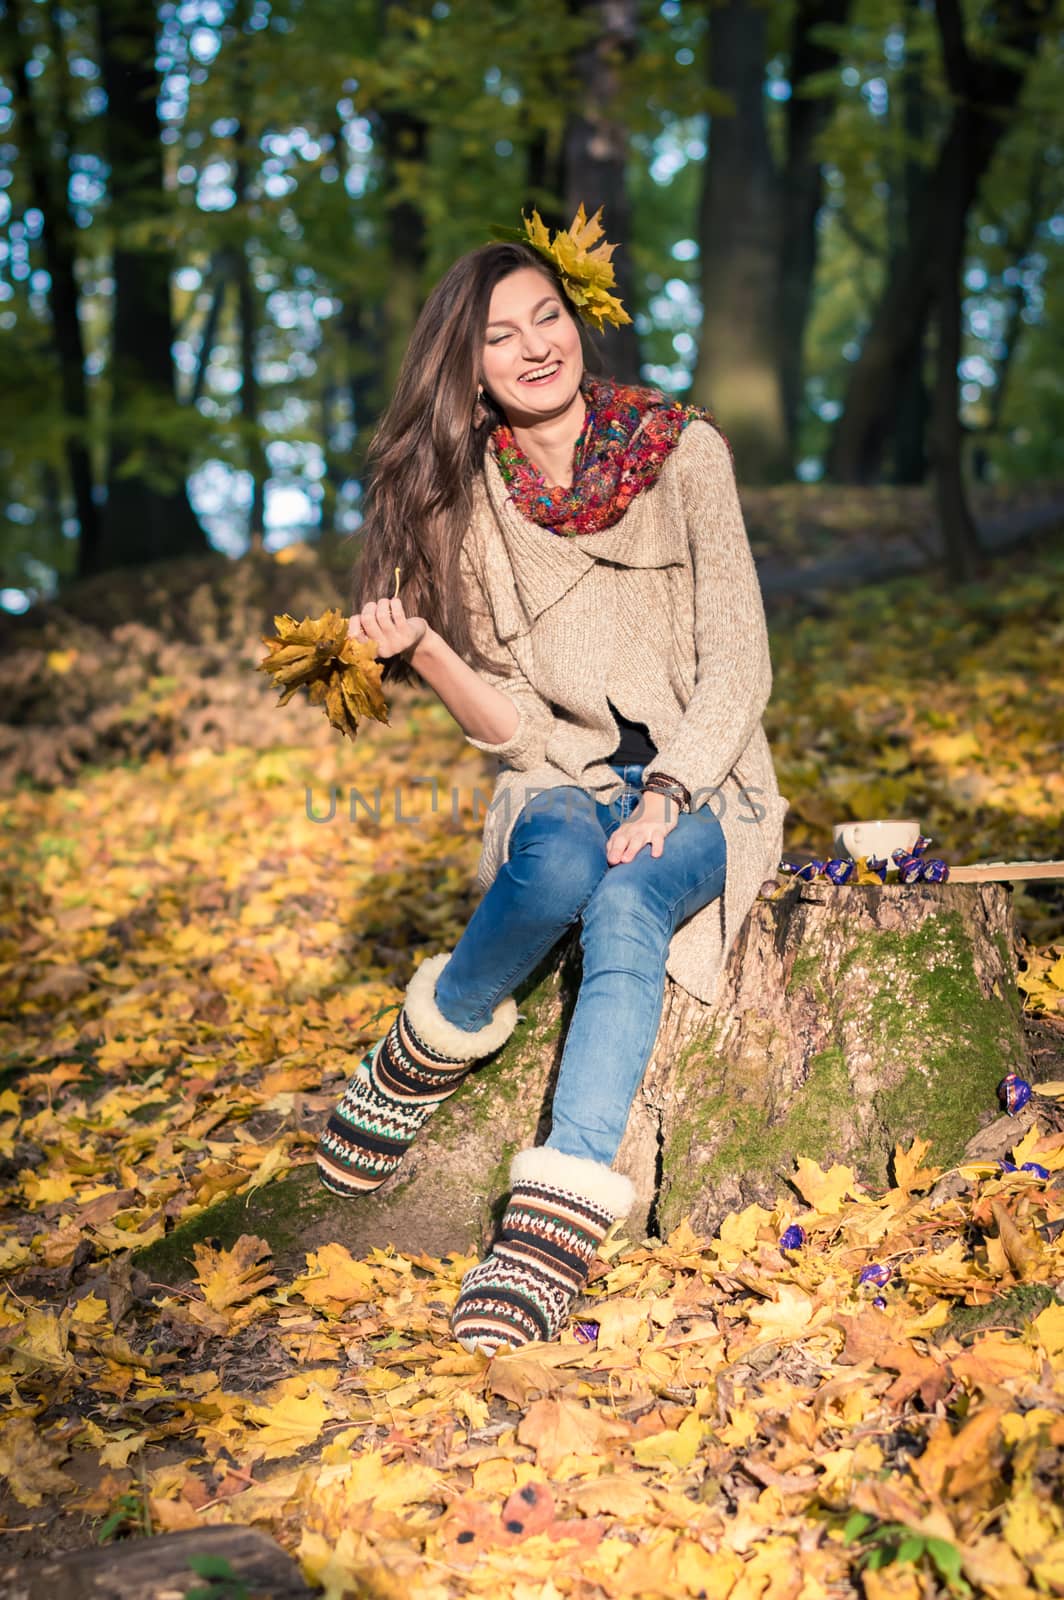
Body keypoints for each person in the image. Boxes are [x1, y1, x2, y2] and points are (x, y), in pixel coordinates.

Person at [315, 206, 789, 1357]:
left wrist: (669, 793)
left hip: (707, 782)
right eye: (498, 336)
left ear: (577, 323)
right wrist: (425, 649)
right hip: (564, 779)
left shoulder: (683, 453)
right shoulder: (471, 504)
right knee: (564, 853)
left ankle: (553, 1219)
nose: (536, 346)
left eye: (546, 317)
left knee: (626, 895)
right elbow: (517, 730)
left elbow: (740, 664)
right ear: (466, 372)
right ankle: (431, 1039)